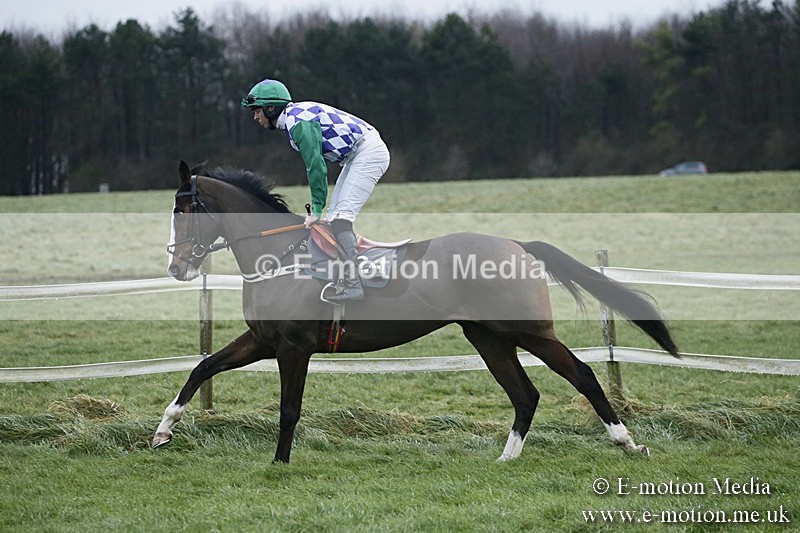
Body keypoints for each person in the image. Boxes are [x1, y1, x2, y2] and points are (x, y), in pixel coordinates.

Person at [241, 78, 390, 302]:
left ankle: (353, 282)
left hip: (368, 153)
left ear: (271, 108)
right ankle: (343, 274)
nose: (256, 117)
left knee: (340, 219)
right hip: (357, 155)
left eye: (257, 111)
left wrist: (316, 209)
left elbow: (316, 167)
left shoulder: (298, 123)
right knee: (333, 220)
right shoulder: (293, 118)